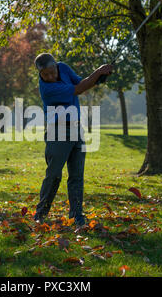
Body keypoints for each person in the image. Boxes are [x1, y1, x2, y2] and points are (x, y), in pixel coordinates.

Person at [33, 52, 113, 228]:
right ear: (40, 74)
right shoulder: (47, 89)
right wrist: (98, 71)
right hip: (58, 131)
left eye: (52, 71)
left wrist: (100, 76)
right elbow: (78, 89)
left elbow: (79, 81)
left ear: (56, 65)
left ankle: (77, 216)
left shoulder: (63, 68)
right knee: (54, 175)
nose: (50, 76)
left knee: (76, 176)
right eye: (45, 74)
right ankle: (41, 213)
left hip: (77, 128)